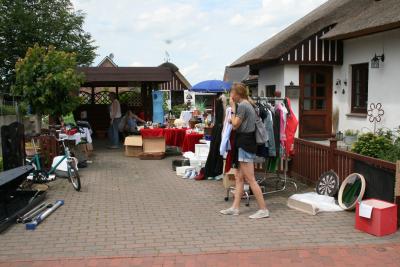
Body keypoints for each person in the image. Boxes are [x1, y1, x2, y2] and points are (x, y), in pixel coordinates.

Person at [220, 82, 270, 219]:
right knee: (239, 178)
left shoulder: (242, 105)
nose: (230, 95)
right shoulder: (248, 104)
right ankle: (235, 208)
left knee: (250, 179)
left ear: (236, 94)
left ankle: (263, 209)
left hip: (245, 143)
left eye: (231, 93)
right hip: (245, 143)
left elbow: (235, 125)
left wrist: (232, 108)